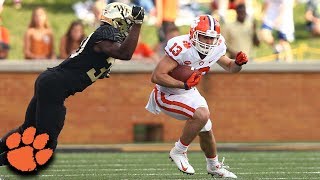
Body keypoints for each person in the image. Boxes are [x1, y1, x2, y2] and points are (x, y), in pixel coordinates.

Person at [0, 2, 144, 166]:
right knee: (44, 146)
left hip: (51, 82)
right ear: (119, 20)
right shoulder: (106, 32)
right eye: (129, 23)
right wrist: (138, 24)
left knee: (27, 131)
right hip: (55, 86)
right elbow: (124, 53)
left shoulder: (103, 34)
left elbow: (82, 60)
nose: (129, 27)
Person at [145, 14, 248, 178]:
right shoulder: (181, 47)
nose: (208, 42)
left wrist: (238, 63)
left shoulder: (217, 46)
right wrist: (183, 84)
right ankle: (178, 151)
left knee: (206, 128)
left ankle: (213, 166)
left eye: (211, 38)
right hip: (167, 93)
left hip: (187, 91)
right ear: (193, 34)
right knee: (202, 114)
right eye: (204, 37)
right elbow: (157, 76)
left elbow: (230, 67)